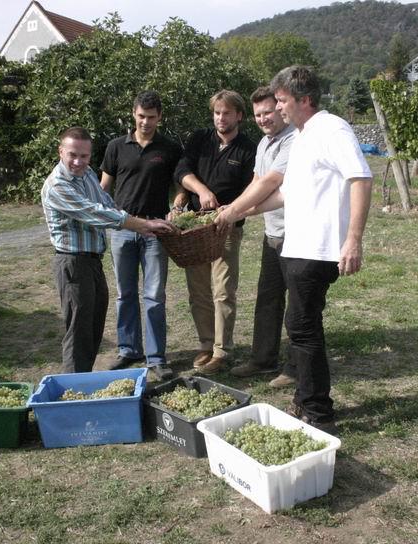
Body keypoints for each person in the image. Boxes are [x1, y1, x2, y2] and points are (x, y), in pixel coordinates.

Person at [244, 65, 373, 434]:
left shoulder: (331, 129)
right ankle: (306, 398)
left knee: (302, 327)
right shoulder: (301, 136)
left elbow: (360, 177)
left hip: (317, 249)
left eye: (282, 101)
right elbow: (287, 194)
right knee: (300, 325)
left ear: (304, 99)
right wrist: (246, 209)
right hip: (296, 247)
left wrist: (353, 238)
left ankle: (318, 412)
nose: (278, 108)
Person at [41, 126, 174, 374]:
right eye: (72, 154)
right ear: (61, 151)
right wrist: (143, 224)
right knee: (78, 331)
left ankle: (85, 381)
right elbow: (96, 213)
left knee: (93, 326)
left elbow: (107, 203)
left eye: (84, 155)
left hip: (92, 262)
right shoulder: (57, 186)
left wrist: (134, 221)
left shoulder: (87, 174)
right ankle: (75, 388)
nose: (78, 161)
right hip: (72, 264)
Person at [215, 86, 297, 388]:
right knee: (267, 298)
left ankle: (295, 367)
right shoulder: (264, 143)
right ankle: (264, 359)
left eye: (268, 112)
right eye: (258, 114)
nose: (263, 118)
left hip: (297, 233)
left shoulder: (295, 141)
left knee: (298, 306)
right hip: (272, 232)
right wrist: (235, 206)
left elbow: (274, 182)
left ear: (280, 109)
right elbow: (257, 180)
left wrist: (237, 212)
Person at [99, 91, 182, 380]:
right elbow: (103, 188)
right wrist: (103, 218)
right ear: (133, 114)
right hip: (122, 229)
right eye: (141, 116)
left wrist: (176, 207)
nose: (146, 122)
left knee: (155, 296)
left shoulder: (170, 149)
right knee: (125, 294)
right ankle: (128, 349)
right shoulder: (116, 146)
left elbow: (181, 183)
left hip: (155, 231)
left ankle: (156, 357)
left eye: (151, 117)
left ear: (160, 117)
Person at [174, 90, 257, 375]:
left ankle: (222, 351)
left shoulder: (249, 149)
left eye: (226, 113)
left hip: (227, 229)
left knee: (223, 291)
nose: (221, 118)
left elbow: (252, 190)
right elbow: (182, 170)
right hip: (195, 229)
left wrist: (233, 212)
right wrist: (201, 190)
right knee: (198, 290)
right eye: (217, 113)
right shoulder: (200, 139)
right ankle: (206, 344)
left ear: (239, 116)